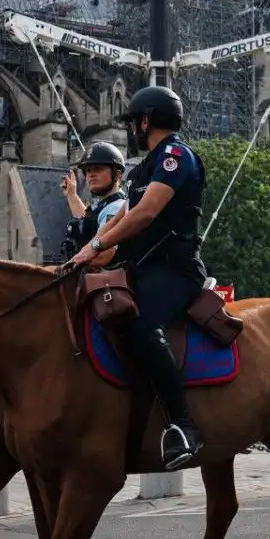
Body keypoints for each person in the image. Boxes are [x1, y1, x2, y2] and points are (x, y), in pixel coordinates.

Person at [67, 86, 209, 470]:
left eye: (133, 122)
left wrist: (94, 246)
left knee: (141, 325)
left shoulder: (175, 157)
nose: (132, 129)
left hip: (176, 270)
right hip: (143, 266)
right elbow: (121, 216)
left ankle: (183, 425)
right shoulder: (145, 166)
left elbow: (144, 214)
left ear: (145, 121)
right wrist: (85, 256)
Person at [61, 141, 129, 260]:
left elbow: (105, 255)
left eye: (98, 169)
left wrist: (71, 266)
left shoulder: (115, 208)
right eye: (88, 170)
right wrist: (71, 195)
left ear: (117, 175)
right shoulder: (104, 205)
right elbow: (88, 221)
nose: (91, 174)